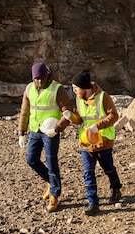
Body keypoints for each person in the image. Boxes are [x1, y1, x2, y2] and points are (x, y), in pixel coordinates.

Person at [18, 62, 74, 212]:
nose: (40, 81)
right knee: (31, 160)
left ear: (47, 76)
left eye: (42, 78)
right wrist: (21, 132)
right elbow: (25, 111)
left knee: (51, 161)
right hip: (35, 130)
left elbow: (68, 111)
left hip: (51, 132)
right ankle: (50, 182)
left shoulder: (57, 89)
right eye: (36, 78)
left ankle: (55, 195)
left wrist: (58, 128)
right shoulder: (29, 89)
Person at [71, 69, 123, 216]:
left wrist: (97, 126)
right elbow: (80, 119)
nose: (73, 90)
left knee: (108, 167)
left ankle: (116, 188)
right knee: (88, 172)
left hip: (103, 141)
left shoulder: (103, 97)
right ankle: (93, 203)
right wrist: (72, 117)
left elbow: (114, 115)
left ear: (84, 87)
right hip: (86, 142)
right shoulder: (79, 99)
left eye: (76, 87)